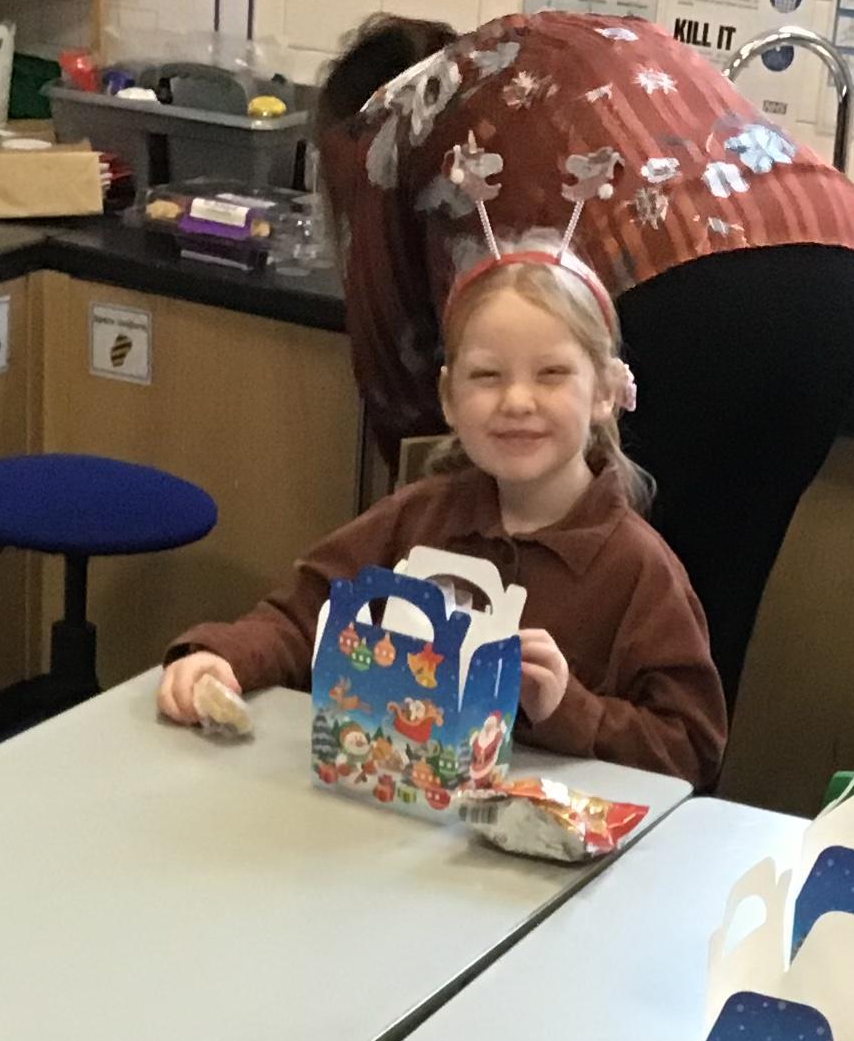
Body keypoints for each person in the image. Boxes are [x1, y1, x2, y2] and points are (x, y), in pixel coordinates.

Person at [313, 12, 854, 717]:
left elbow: (394, 363)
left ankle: (556, 774)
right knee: (708, 599)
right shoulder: (525, 49)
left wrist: (435, 498)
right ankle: (678, 764)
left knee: (576, 585)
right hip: (841, 267)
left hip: (674, 280)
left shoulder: (383, 119)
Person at [157, 239, 728, 786]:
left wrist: (568, 708)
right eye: (487, 375)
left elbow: (690, 750)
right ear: (450, 398)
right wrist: (224, 658)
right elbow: (305, 615)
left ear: (604, 390)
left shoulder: (639, 570)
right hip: (396, 813)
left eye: (551, 373)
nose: (517, 401)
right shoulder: (416, 518)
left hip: (550, 842)